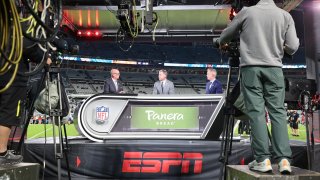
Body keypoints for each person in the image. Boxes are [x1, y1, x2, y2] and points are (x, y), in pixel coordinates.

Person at [218, 0, 299, 174]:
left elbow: (227, 35)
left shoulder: (247, 12)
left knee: (256, 113)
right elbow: (292, 46)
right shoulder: (285, 15)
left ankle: (263, 159)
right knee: (278, 112)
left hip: (251, 69)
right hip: (275, 70)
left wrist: (218, 41)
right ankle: (284, 160)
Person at [0, 40, 52, 165]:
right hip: (11, 74)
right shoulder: (18, 24)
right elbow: (27, 45)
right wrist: (44, 57)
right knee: (8, 112)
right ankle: (1, 153)